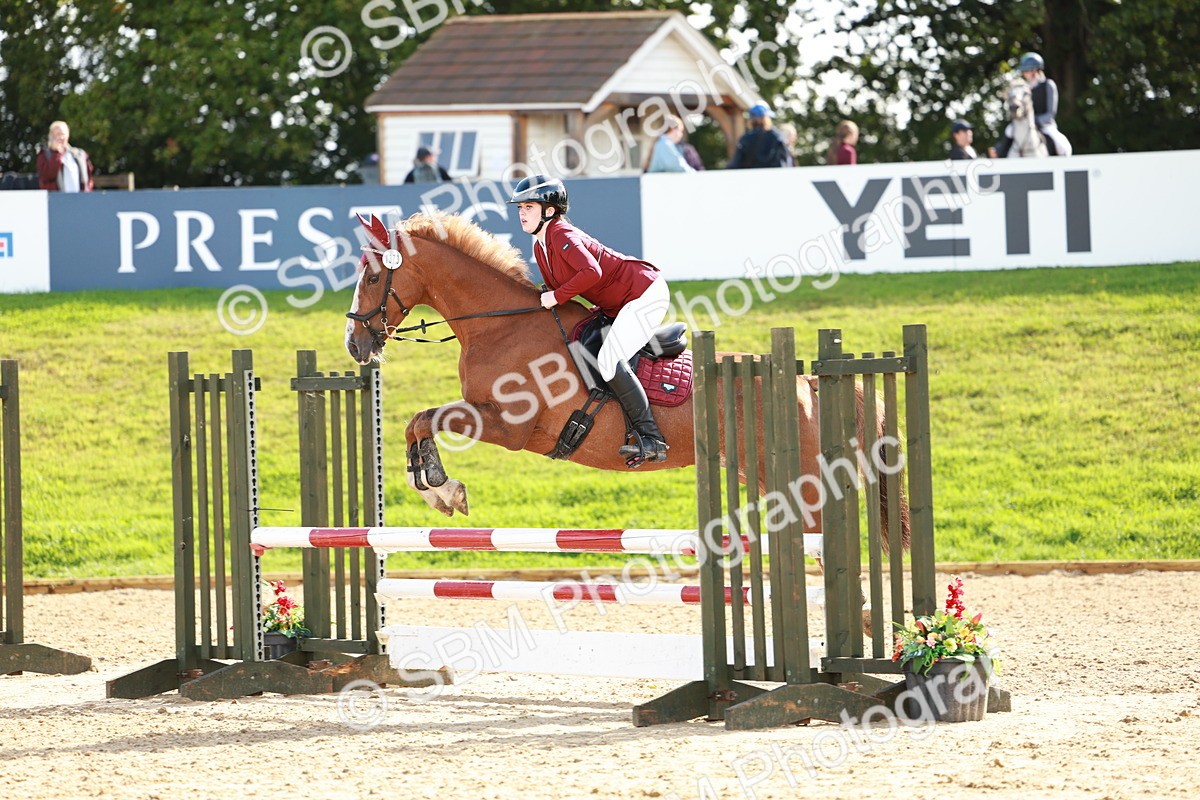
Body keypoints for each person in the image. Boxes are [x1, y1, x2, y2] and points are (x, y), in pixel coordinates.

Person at [508, 175, 671, 466]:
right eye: (520, 208)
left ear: (549, 211)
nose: (522, 213)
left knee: (608, 360)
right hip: (617, 304)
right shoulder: (539, 247)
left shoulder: (561, 234)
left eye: (529, 207)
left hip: (644, 293)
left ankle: (652, 438)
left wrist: (556, 296)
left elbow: (591, 273)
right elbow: (561, 291)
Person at [994, 52, 1072, 157]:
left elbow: (1050, 113)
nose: (1024, 74)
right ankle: (1000, 157)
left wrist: (1035, 120)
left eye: (1027, 71)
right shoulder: (1023, 87)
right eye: (1024, 71)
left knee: (1061, 145)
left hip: (1044, 124)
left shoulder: (1048, 85)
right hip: (1024, 123)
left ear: (1035, 70)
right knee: (1009, 131)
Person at [36, 121, 94, 192]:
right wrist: (56, 153)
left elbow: (88, 178)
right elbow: (47, 176)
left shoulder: (80, 154)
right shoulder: (44, 155)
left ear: (68, 135)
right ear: (50, 136)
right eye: (56, 134)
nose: (60, 137)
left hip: (80, 199)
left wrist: (87, 190)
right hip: (57, 200)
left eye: (62, 134)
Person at [727, 103, 790, 169]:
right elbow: (783, 162)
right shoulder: (776, 137)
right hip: (772, 177)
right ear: (766, 118)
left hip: (750, 178)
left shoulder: (745, 138)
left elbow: (736, 163)